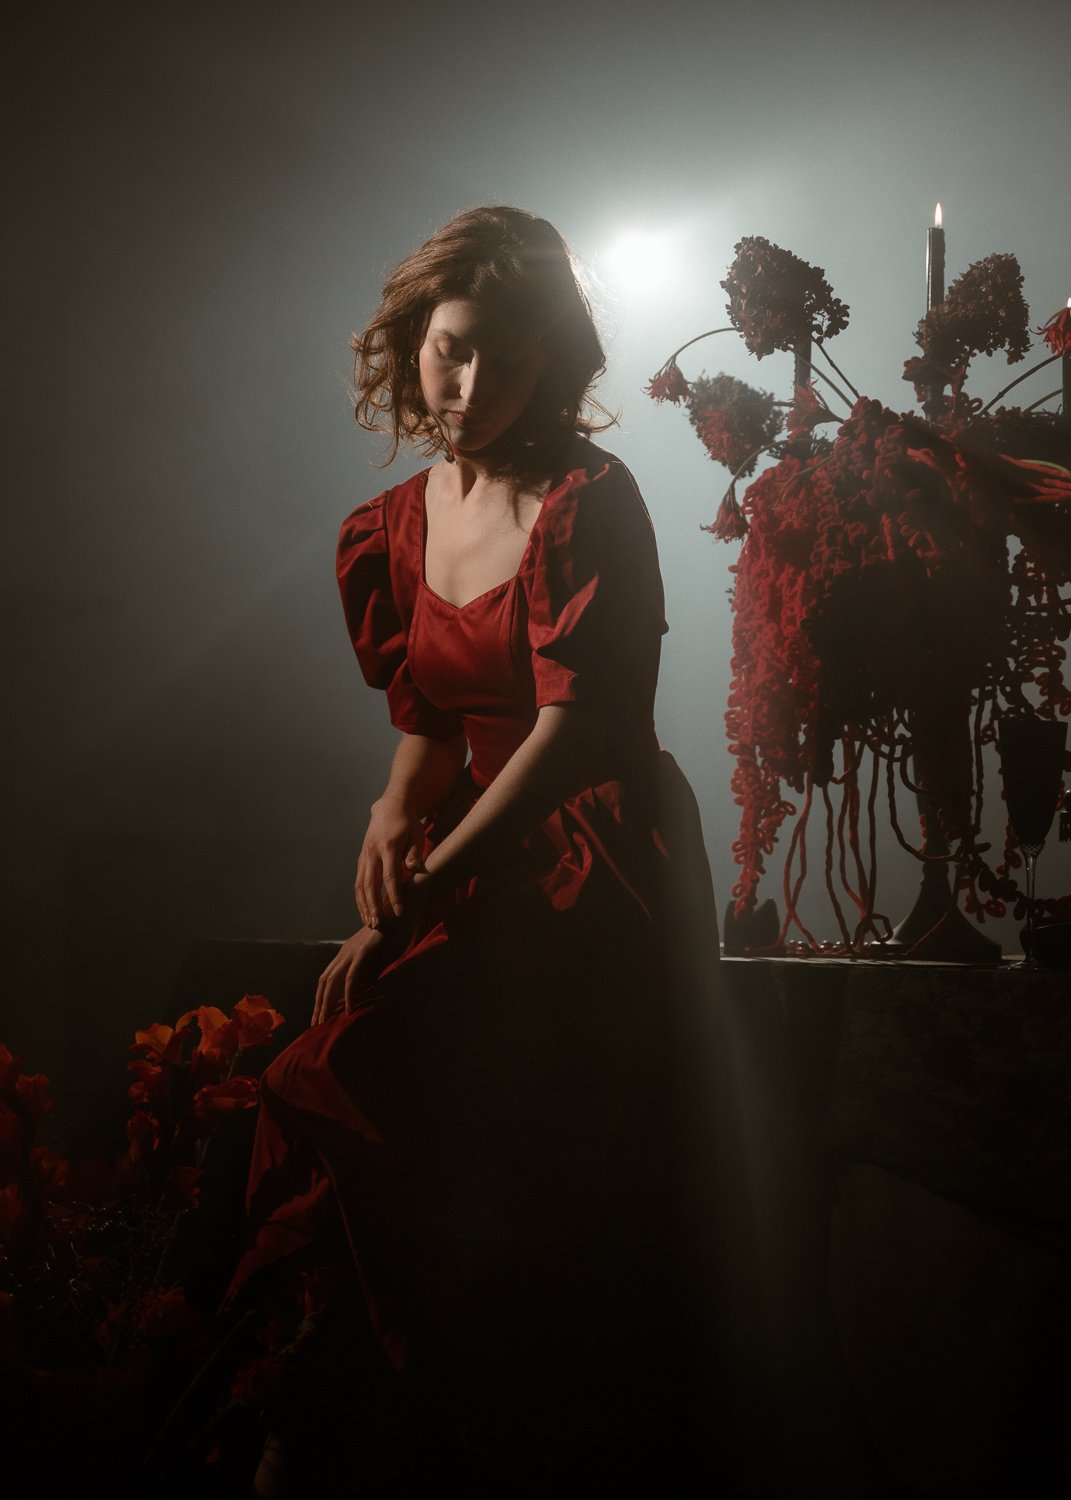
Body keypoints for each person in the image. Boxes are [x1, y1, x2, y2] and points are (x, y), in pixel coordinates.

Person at [222, 206, 722, 1495]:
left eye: (506, 360)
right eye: (451, 352)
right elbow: (439, 716)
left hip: (591, 844)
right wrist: (397, 807)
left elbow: (573, 728)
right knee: (322, 1067)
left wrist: (428, 882)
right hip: (476, 828)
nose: (471, 386)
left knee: (342, 1070)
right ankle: (328, 1413)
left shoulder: (588, 500)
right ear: (411, 345)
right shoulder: (395, 517)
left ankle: (386, 1409)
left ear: (554, 366)